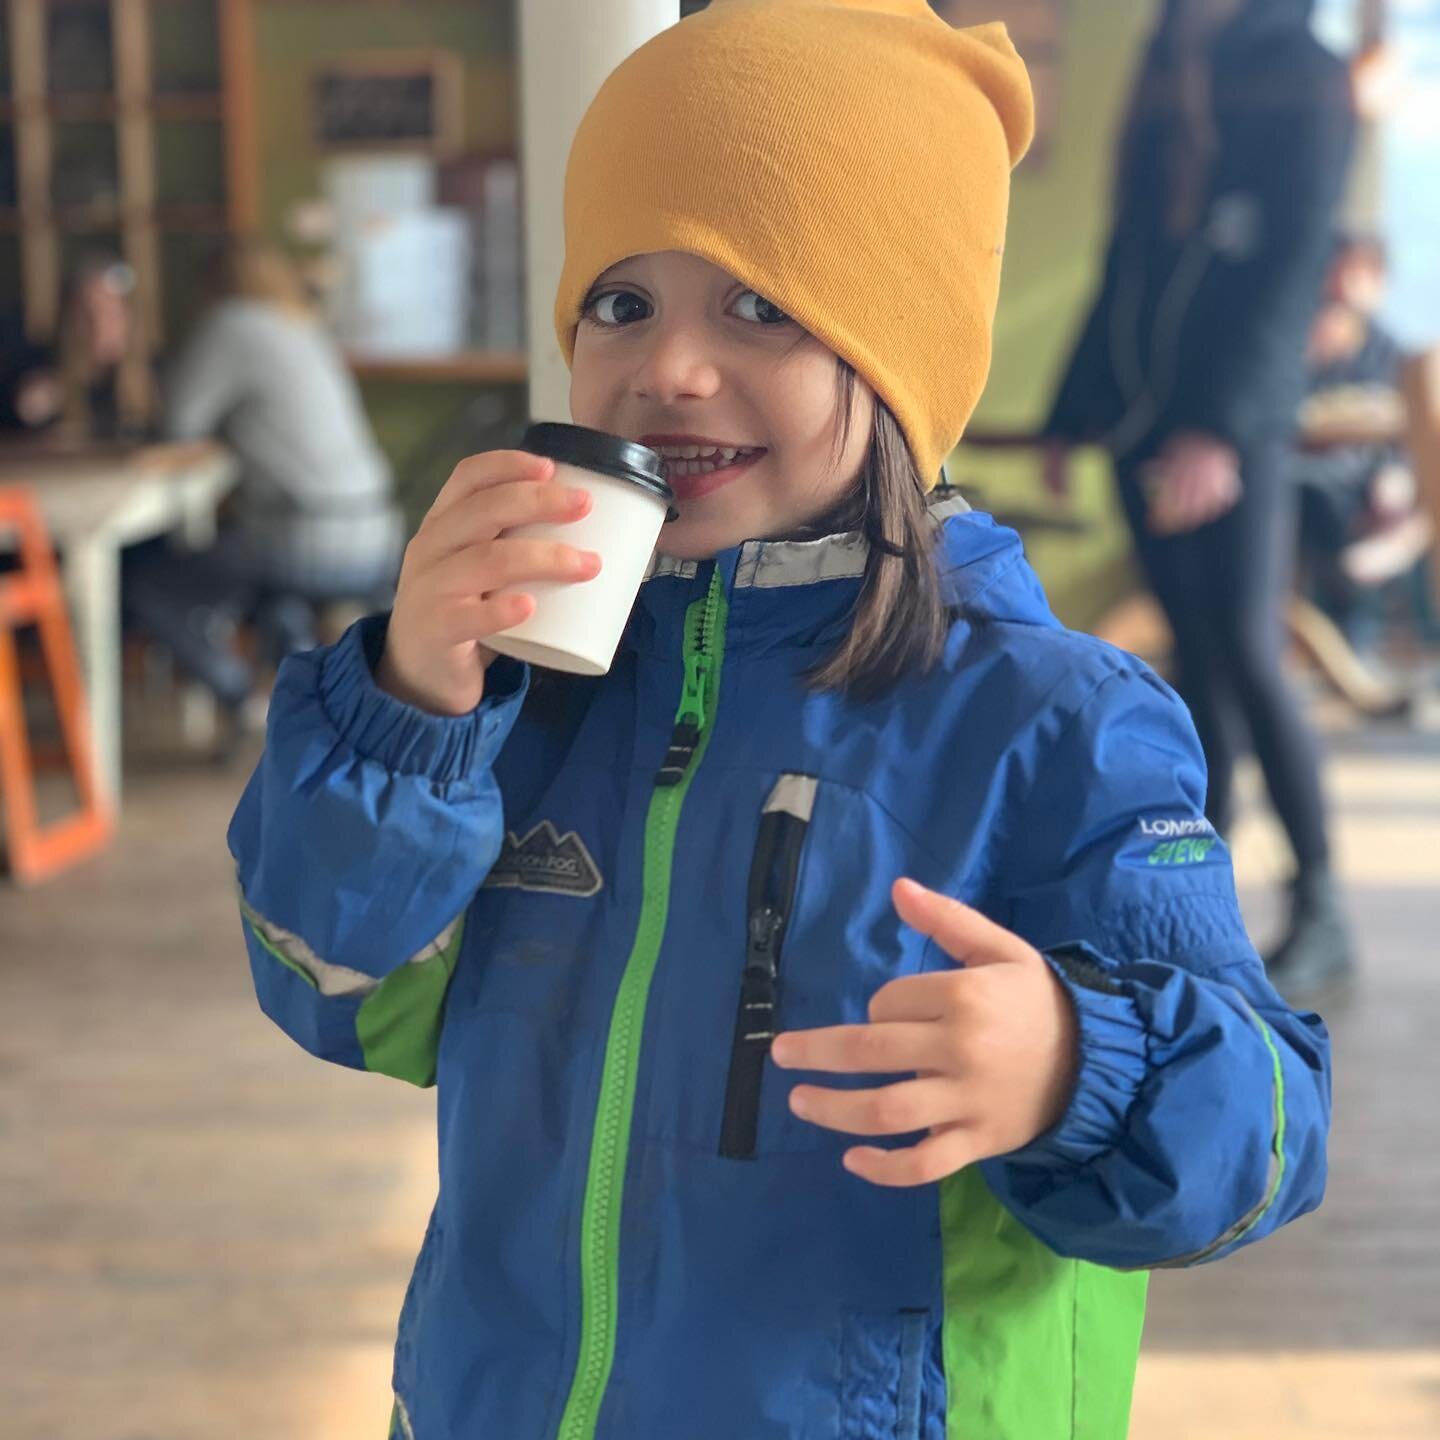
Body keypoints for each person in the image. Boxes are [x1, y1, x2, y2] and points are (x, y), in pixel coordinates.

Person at [229, 5, 1332, 1436]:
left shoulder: (1057, 724)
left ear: (899, 352)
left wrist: (1077, 1060)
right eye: (621, 302)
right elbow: (343, 1001)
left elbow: (1268, 1138)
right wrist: (409, 715)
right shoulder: (528, 687)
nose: (670, 367)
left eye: (761, 304)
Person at [1044, 0, 1358, 1002]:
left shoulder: (1302, 65)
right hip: (1145, 421)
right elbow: (1125, 249)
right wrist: (1069, 412)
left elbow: (1296, 262)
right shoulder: (1168, 49)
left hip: (1234, 427)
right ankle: (1193, 908)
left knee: (1251, 659)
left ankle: (1322, 910)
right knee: (1195, 675)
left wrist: (1219, 431)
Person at [122, 239, 404, 713]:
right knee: (264, 585)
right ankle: (292, 674)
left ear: (213, 284)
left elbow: (178, 425)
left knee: (151, 586)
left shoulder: (230, 325)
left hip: (306, 538)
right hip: (378, 535)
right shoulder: (304, 327)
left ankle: (245, 695)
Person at [0, 255, 151, 438]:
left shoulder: (154, 376)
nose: (100, 325)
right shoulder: (37, 366)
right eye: (89, 313)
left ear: (129, 318)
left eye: (111, 313)